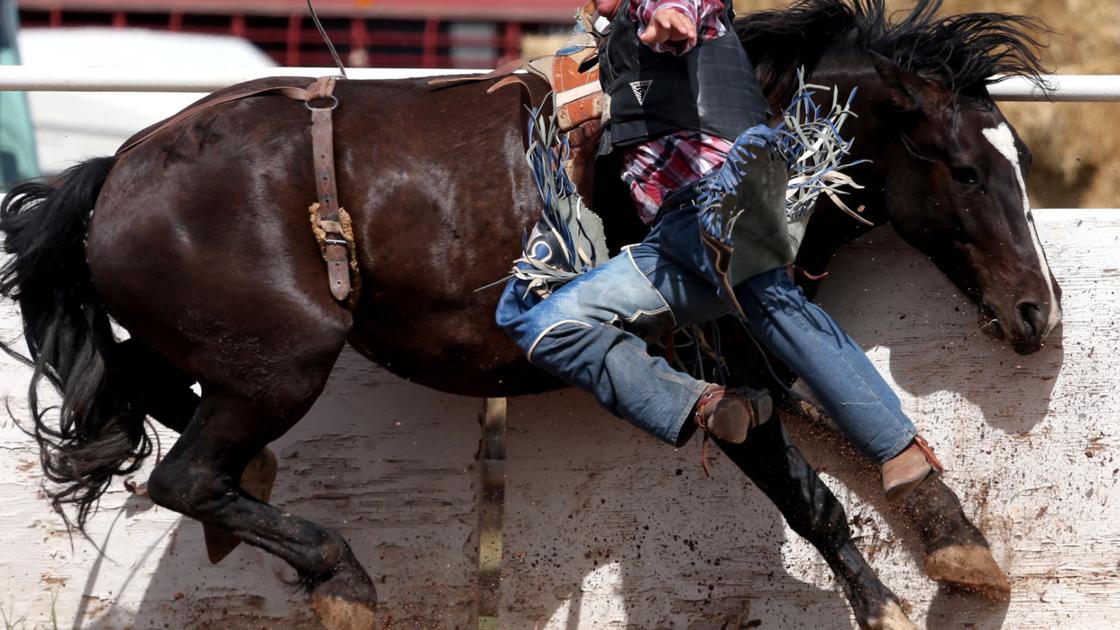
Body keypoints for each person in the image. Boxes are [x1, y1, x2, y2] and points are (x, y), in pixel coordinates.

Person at [497, 0, 941, 500]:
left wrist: (668, 14)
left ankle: (895, 445)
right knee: (539, 324)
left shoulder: (670, 12)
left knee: (765, 295)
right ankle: (707, 404)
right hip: (668, 243)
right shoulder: (616, 45)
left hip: (725, 202)